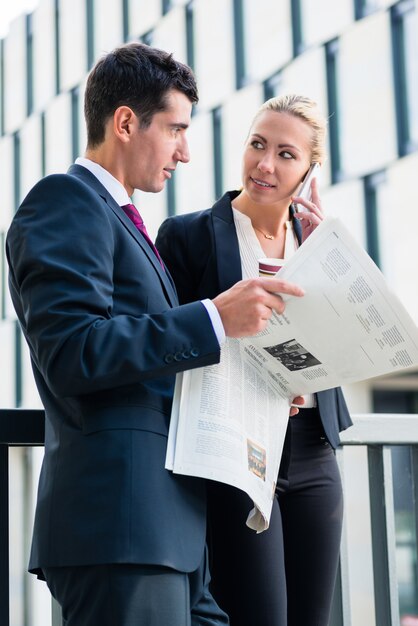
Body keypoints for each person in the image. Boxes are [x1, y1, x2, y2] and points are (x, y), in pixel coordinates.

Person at [5, 46, 305, 626]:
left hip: (171, 535)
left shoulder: (126, 223)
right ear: (124, 123)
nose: (186, 152)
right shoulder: (65, 201)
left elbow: (149, 355)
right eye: (176, 129)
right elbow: (73, 350)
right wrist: (214, 317)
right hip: (120, 530)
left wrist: (253, 385)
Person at [156, 94, 353, 626]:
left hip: (312, 450)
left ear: (310, 168)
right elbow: (168, 344)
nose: (265, 164)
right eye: (257, 145)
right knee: (258, 615)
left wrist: (327, 257)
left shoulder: (321, 241)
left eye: (286, 154)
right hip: (237, 453)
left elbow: (345, 337)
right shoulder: (189, 235)